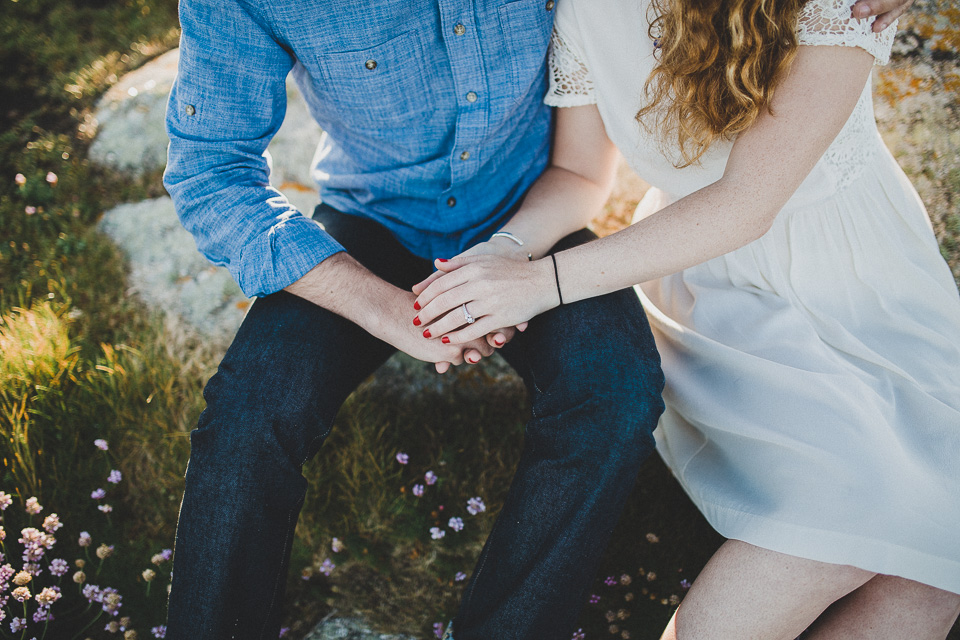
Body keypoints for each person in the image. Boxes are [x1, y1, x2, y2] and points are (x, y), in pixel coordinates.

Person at [162, 0, 909, 637]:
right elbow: (210, 170)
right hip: (370, 221)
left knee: (614, 392)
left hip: (533, 216)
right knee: (248, 411)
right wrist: (391, 313)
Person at [411, 0, 960, 637]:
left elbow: (747, 202)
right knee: (847, 509)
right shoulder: (584, 11)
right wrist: (501, 258)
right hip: (713, 286)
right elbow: (578, 172)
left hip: (865, 279)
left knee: (935, 567)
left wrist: (538, 285)